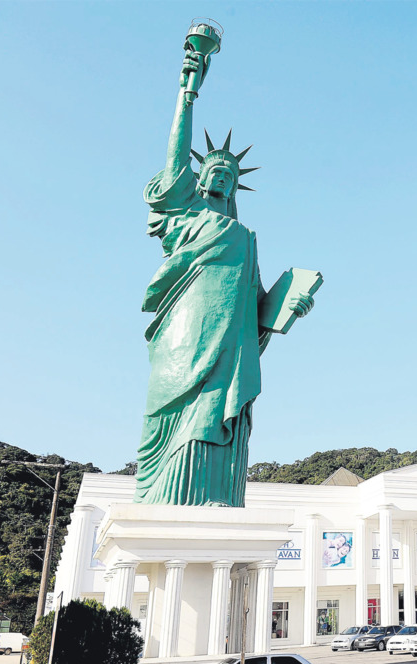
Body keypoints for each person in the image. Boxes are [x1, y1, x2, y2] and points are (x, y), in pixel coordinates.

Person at [134, 37, 315, 507]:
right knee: (174, 408)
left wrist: (289, 307)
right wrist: (187, 94)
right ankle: (165, 497)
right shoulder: (186, 214)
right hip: (186, 329)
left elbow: (257, 311)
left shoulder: (245, 238)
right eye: (213, 169)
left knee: (219, 413)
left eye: (228, 174)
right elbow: (175, 160)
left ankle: (213, 496)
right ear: (197, 179)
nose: (220, 175)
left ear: (235, 188)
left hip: (231, 344)